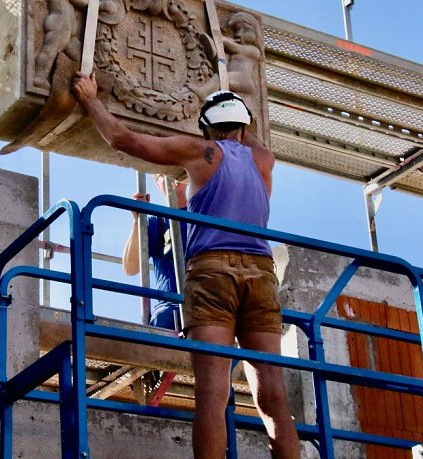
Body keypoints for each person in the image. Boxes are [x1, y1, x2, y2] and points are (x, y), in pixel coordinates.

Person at [71, 72, 300, 459]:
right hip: (261, 274)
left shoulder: (200, 152)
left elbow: (122, 140)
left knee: (213, 391)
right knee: (272, 391)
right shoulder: (265, 160)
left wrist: (91, 98)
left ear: (206, 129)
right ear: (244, 127)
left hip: (213, 273)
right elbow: (247, 130)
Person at [121, 173, 188, 330]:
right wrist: (138, 222)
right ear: (158, 184)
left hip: (207, 304)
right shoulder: (156, 223)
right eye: (162, 174)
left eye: (174, 169)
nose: (170, 176)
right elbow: (130, 268)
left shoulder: (204, 216)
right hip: (169, 308)